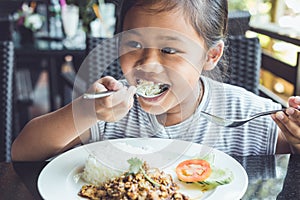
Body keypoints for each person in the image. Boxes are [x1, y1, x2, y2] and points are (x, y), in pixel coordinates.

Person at [11, 0, 300, 161]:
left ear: (210, 55)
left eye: (169, 50)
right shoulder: (108, 113)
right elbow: (23, 152)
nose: (147, 64)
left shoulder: (250, 116)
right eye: (133, 45)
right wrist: (88, 112)